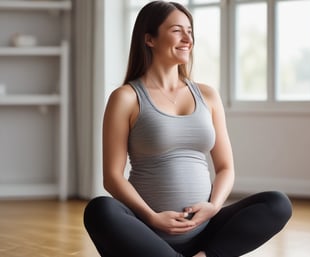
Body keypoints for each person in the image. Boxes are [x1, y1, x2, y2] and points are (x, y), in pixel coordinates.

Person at [83, 1, 292, 257]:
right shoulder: (126, 98)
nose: (187, 39)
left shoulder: (207, 95)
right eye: (176, 31)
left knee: (277, 204)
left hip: (205, 231)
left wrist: (213, 207)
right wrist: (152, 217)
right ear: (149, 39)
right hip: (146, 233)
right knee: (100, 210)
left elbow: (226, 168)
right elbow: (112, 177)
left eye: (190, 31)